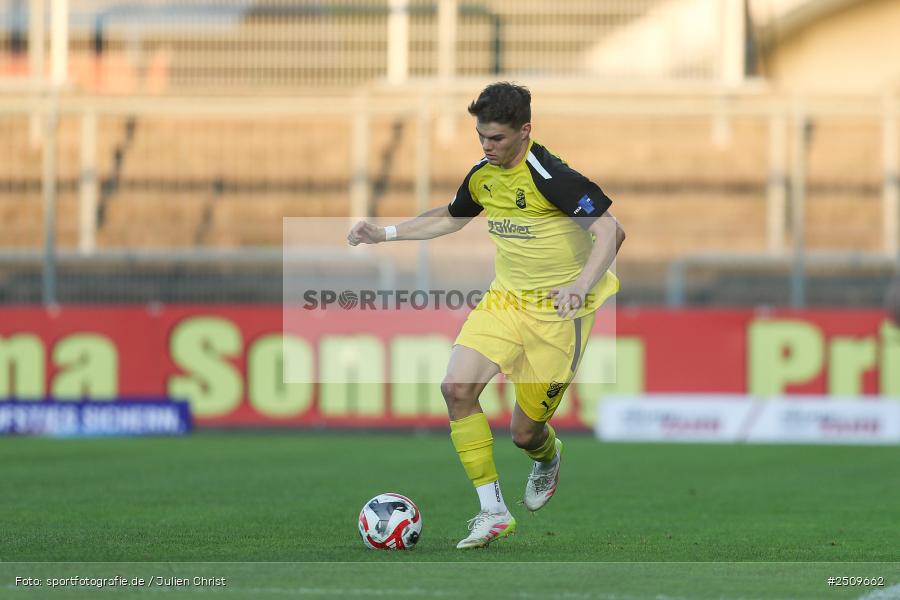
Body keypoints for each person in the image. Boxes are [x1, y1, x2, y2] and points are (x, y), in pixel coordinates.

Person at [347, 82, 625, 549]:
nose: (486, 146)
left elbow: (611, 230)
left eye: (496, 138)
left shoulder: (550, 175)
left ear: (524, 131)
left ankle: (547, 454)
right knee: (456, 389)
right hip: (505, 302)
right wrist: (385, 232)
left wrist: (580, 288)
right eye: (481, 136)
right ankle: (492, 511)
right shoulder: (484, 175)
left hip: (559, 316)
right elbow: (453, 216)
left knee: (524, 433)